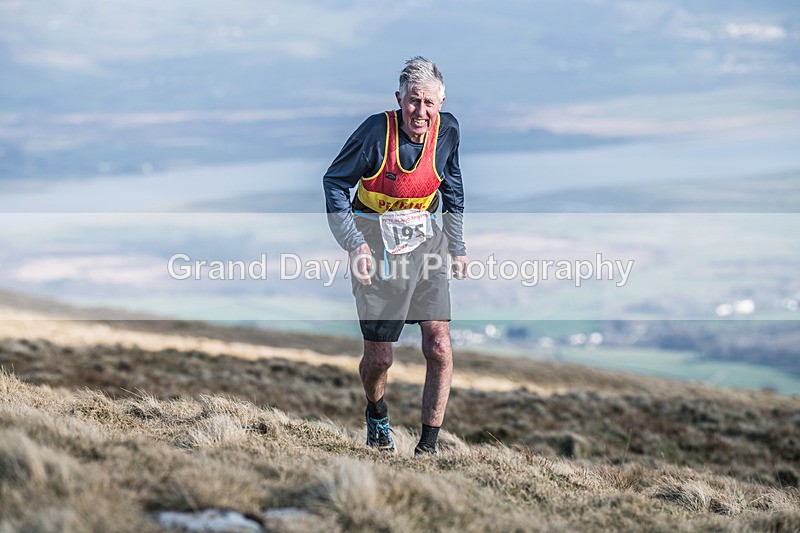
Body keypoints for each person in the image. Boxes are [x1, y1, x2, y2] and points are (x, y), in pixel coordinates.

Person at [323, 57, 468, 456]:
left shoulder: (448, 131)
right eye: (413, 101)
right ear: (399, 99)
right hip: (376, 247)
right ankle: (377, 414)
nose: (420, 112)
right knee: (380, 358)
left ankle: (428, 446)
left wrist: (457, 246)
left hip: (427, 243)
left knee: (438, 345)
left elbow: (453, 187)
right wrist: (354, 244)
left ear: (441, 103)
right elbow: (334, 182)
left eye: (429, 103)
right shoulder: (375, 132)